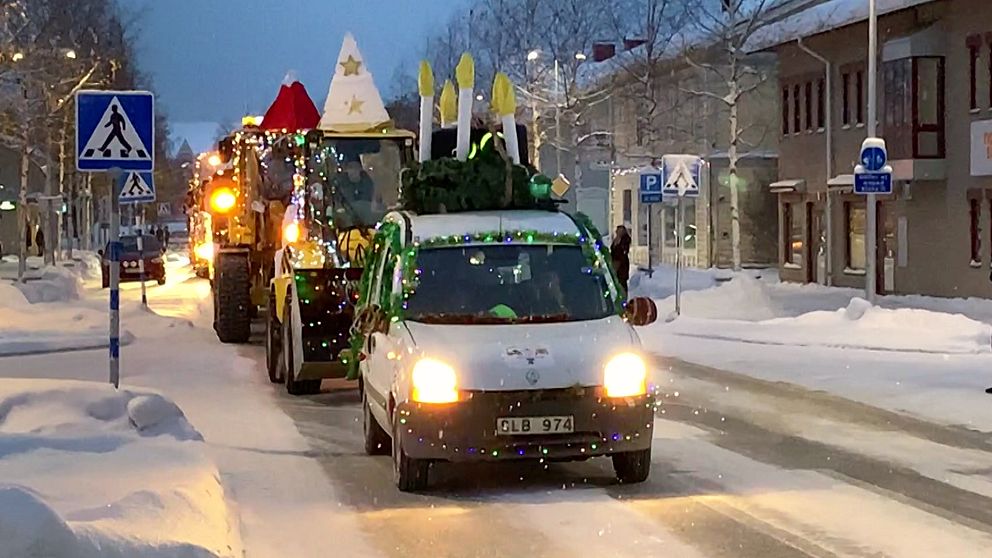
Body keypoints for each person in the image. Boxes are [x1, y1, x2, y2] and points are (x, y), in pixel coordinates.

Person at [610, 225, 631, 295]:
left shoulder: (625, 239)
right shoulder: (616, 239)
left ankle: (623, 295)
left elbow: (623, 251)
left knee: (622, 281)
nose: (617, 232)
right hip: (615, 262)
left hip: (622, 263)